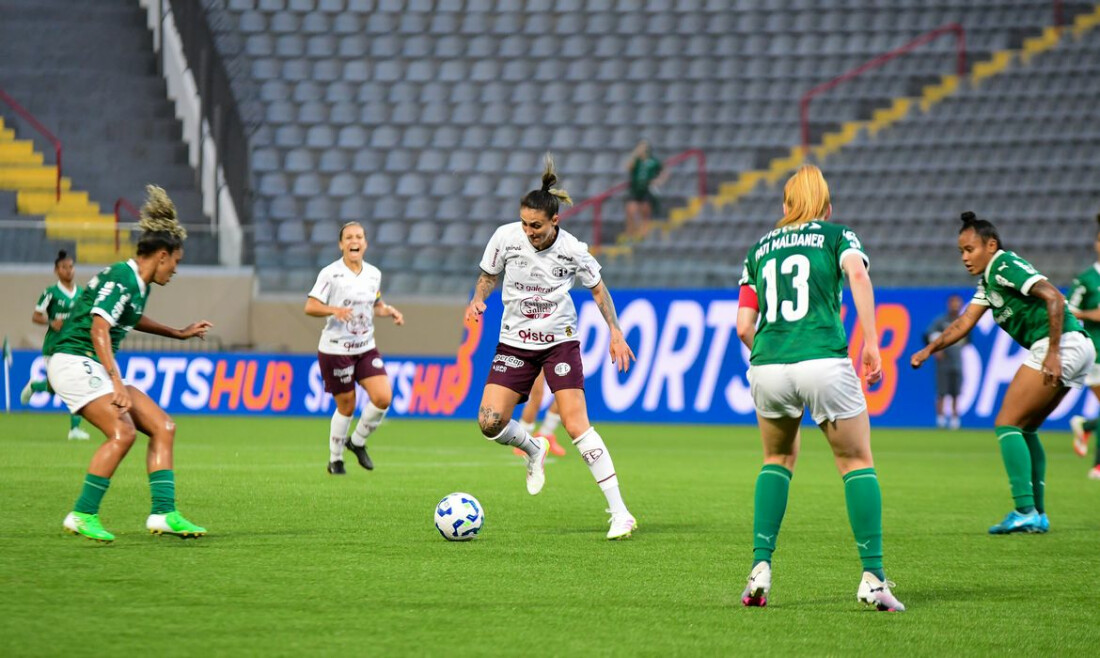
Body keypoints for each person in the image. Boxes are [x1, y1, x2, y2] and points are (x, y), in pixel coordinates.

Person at [736, 164, 904, 612]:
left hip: (768, 365)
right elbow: (859, 276)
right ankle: (873, 577)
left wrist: (774, 350)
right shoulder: (837, 236)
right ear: (826, 206)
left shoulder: (759, 249)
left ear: (785, 207)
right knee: (855, 461)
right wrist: (871, 342)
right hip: (824, 359)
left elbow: (742, 326)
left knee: (776, 459)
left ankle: (760, 568)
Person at [465, 154, 638, 540]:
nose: (529, 232)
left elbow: (598, 289)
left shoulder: (573, 250)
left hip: (559, 343)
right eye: (525, 224)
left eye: (537, 226)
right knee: (489, 422)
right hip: (514, 341)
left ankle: (620, 512)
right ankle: (533, 448)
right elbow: (486, 276)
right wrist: (478, 298)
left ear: (555, 221)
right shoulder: (505, 238)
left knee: (577, 424)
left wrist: (615, 330)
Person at [911, 211, 1094, 534]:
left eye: (970, 249)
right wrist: (929, 349)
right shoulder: (988, 282)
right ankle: (1036, 513)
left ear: (990, 245)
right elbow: (964, 323)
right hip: (1074, 345)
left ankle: (1024, 509)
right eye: (961, 252)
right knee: (1026, 427)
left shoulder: (1004, 265)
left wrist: (1052, 352)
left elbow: (1053, 296)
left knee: (1006, 423)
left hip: (1058, 344)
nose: (965, 258)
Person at [50, 185, 212, 543]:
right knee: (122, 432)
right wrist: (117, 382)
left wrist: (178, 333)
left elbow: (131, 318)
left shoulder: (139, 284)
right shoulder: (123, 278)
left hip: (90, 364)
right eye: (176, 263)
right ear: (163, 256)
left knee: (162, 427)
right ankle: (82, 513)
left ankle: (164, 513)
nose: (175, 271)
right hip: (75, 361)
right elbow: (99, 328)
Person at [305, 221, 404, 476]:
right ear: (341, 244)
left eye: (358, 237)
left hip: (365, 346)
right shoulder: (330, 274)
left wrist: (387, 311)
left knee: (383, 397)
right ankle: (335, 460)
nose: (354, 241)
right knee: (347, 406)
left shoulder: (373, 274)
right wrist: (333, 310)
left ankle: (357, 441)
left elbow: (375, 304)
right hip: (336, 350)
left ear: (365, 243)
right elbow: (311, 306)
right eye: (348, 237)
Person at [20, 250, 91, 440]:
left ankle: (75, 429)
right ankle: (36, 385)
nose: (68, 271)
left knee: (77, 384)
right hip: (53, 346)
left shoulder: (82, 294)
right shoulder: (50, 293)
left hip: (74, 347)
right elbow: (36, 316)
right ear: (56, 270)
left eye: (70, 267)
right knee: (55, 388)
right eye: (63, 267)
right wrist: (51, 322)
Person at [1067, 214, 1100, 480]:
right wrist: (1091, 314)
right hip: (1097, 351)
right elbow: (1068, 309)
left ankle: (1086, 425)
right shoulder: (1087, 279)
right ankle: (1098, 466)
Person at [923, 294, 967, 429]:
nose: (955, 306)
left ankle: (955, 419)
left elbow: (967, 342)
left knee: (955, 392)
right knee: (942, 391)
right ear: (949, 304)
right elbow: (929, 334)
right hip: (943, 363)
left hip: (957, 362)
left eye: (957, 303)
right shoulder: (941, 321)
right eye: (953, 303)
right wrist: (935, 350)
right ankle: (941, 419)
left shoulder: (963, 322)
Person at [511, 370, 566, 458]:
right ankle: (523, 440)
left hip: (560, 356)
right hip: (536, 356)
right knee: (537, 395)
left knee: (565, 392)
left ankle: (546, 434)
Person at [623, 140, 667, 240]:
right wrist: (635, 154)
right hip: (635, 189)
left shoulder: (653, 161)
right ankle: (632, 232)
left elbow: (664, 170)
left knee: (645, 210)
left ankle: (643, 232)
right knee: (631, 210)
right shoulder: (636, 161)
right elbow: (628, 167)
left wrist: (659, 180)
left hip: (647, 189)